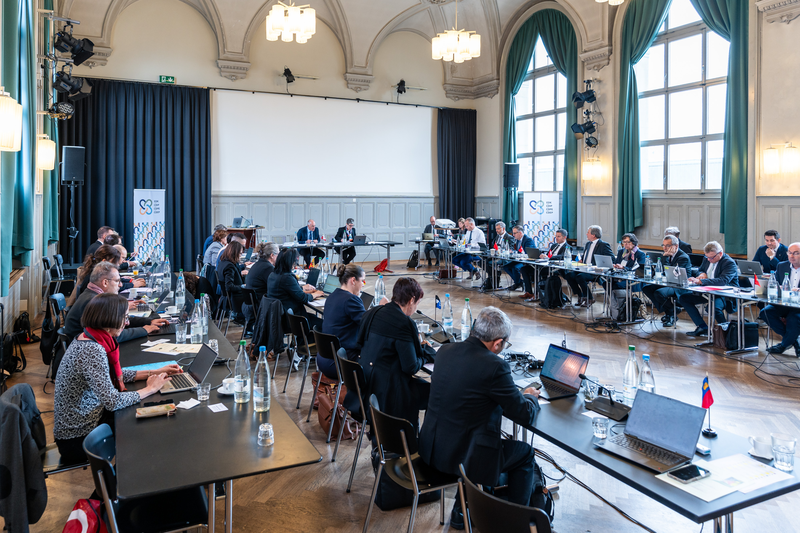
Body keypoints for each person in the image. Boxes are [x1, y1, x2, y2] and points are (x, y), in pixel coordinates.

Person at [419, 307, 540, 528]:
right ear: (497, 343)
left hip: (431, 449)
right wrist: (530, 397)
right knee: (525, 454)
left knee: (472, 431)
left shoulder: (445, 351)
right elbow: (524, 414)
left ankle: (462, 510)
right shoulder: (495, 366)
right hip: (464, 458)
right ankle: (515, 522)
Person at [54, 293, 181, 464]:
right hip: (79, 438)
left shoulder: (89, 338)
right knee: (152, 426)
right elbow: (113, 402)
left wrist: (154, 372)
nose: (127, 323)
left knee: (149, 414)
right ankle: (135, 481)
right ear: (109, 319)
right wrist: (150, 389)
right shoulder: (92, 350)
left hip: (86, 424)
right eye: (125, 318)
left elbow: (111, 373)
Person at [357, 277, 429, 430]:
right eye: (417, 303)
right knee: (435, 393)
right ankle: (420, 443)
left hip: (368, 383)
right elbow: (410, 367)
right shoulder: (404, 323)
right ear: (411, 300)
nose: (415, 309)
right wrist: (425, 355)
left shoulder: (373, 312)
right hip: (389, 390)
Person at [64, 262, 168, 343]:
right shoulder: (95, 301)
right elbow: (113, 335)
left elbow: (116, 322)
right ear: (105, 282)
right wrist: (144, 330)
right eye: (117, 281)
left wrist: (147, 322)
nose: (120, 285)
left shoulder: (93, 294)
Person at [677, 241, 739, 337]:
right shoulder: (707, 258)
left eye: (711, 257)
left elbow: (723, 281)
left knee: (713, 308)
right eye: (707, 257)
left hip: (725, 294)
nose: (709, 259)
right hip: (707, 291)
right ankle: (702, 327)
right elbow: (700, 270)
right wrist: (701, 274)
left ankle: (726, 333)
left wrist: (702, 281)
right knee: (684, 298)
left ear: (720, 254)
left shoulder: (729, 263)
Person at [641, 235, 692, 327]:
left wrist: (665, 258)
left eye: (667, 245)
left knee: (659, 293)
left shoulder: (683, 257)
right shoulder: (668, 255)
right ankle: (672, 310)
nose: (664, 248)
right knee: (646, 288)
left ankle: (671, 313)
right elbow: (663, 272)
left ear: (676, 246)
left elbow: (674, 274)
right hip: (669, 282)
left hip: (679, 285)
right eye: (663, 245)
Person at [267, 248, 324, 329]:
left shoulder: (273, 274)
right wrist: (315, 294)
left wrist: (307, 291)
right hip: (292, 320)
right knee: (324, 324)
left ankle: (299, 341)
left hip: (279, 317)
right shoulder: (287, 277)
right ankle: (303, 340)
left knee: (314, 317)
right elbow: (303, 298)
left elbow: (289, 292)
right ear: (291, 262)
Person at [759, 242, 800, 355]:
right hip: (784, 303)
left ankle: (783, 345)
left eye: (796, 253)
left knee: (794, 319)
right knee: (765, 312)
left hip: (798, 306)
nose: (791, 256)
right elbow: (776, 284)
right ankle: (793, 341)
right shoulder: (782, 266)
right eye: (790, 253)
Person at [562, 225, 613, 307]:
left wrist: (599, 263)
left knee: (580, 277)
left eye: (588, 233)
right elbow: (587, 255)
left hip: (595, 271)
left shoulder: (603, 245)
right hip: (584, 268)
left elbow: (611, 259)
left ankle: (590, 298)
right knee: (569, 275)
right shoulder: (588, 244)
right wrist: (582, 259)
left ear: (593, 235)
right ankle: (580, 296)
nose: (586, 234)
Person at [518, 229, 569, 301]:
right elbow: (548, 254)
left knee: (537, 271)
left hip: (556, 269)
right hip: (545, 266)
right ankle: (529, 292)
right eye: (556, 236)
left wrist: (549, 258)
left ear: (564, 237)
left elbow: (562, 256)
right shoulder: (554, 245)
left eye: (559, 236)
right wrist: (543, 255)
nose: (556, 238)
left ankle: (537, 294)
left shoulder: (568, 247)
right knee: (524, 269)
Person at [218, 241, 247, 324]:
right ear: (235, 253)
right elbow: (229, 287)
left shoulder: (223, 262)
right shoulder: (229, 266)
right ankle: (247, 323)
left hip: (228, 296)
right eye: (240, 253)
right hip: (234, 298)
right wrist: (243, 286)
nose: (241, 255)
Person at [502, 225, 534, 292]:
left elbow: (529, 253)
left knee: (515, 268)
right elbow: (518, 251)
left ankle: (517, 283)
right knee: (506, 267)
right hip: (519, 260)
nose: (513, 235)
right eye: (513, 233)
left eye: (514, 233)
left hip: (527, 261)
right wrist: (512, 252)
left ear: (520, 233)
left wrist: (518, 255)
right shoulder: (517, 240)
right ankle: (519, 282)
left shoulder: (528, 240)